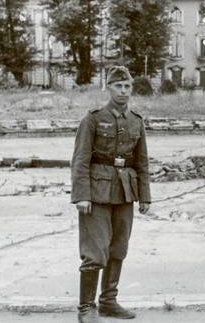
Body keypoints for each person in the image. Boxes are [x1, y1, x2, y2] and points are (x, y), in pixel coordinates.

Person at [71, 66, 151, 322]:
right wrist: (81, 194)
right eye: (119, 86)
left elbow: (142, 162)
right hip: (96, 193)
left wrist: (145, 196)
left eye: (127, 86)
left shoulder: (136, 120)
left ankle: (108, 301)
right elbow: (80, 159)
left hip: (125, 192)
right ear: (109, 88)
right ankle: (86, 308)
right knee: (95, 250)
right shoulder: (93, 119)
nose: (124, 91)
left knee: (119, 248)